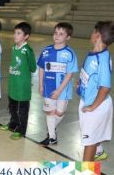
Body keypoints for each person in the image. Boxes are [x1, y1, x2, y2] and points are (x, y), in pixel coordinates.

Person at [77, 21, 114, 162]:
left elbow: (105, 87)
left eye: (93, 32)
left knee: (89, 141)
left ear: (98, 35)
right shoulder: (93, 53)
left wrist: (93, 106)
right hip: (89, 100)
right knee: (91, 135)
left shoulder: (102, 59)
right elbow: (92, 77)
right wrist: (82, 83)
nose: (91, 34)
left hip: (96, 105)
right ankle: (99, 152)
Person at [37, 22, 78, 146]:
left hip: (63, 90)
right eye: (55, 33)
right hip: (48, 88)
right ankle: (52, 137)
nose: (57, 36)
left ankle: (51, 129)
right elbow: (41, 68)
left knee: (59, 113)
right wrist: (40, 84)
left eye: (61, 34)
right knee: (50, 112)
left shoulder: (70, 53)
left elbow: (70, 73)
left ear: (68, 37)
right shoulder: (46, 51)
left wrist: (59, 90)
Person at [0, 22, 36, 139]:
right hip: (13, 83)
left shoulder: (27, 50)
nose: (15, 35)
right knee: (12, 106)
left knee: (22, 109)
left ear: (26, 36)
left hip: (22, 85)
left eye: (18, 33)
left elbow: (33, 67)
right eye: (15, 33)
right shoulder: (14, 48)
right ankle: (13, 123)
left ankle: (22, 130)